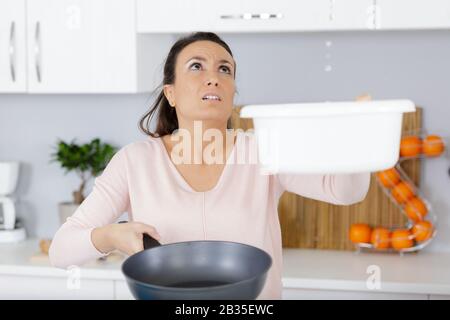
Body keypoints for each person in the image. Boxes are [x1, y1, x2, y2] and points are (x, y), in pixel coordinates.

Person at [49, 31, 370, 299]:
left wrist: (361, 133)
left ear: (232, 93)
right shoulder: (135, 161)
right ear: (170, 93)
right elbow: (61, 251)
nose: (213, 78)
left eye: (225, 70)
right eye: (197, 67)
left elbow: (344, 191)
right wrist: (111, 238)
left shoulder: (264, 151)